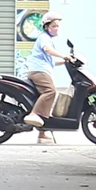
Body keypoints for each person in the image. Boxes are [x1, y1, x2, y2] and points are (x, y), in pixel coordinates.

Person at [21, 15, 75, 144]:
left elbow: (50, 61)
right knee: (50, 92)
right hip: (38, 71)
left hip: (42, 70)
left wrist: (65, 61)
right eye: (54, 26)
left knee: (45, 99)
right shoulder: (44, 38)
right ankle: (33, 115)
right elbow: (48, 50)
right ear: (47, 27)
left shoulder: (47, 39)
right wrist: (64, 55)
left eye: (58, 26)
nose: (57, 29)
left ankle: (42, 132)